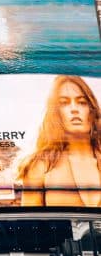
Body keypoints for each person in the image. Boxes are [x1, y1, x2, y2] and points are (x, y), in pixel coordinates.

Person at [19, 76, 101, 207]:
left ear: (92, 110)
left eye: (82, 102)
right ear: (55, 112)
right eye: (64, 103)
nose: (74, 109)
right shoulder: (40, 166)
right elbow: (30, 224)